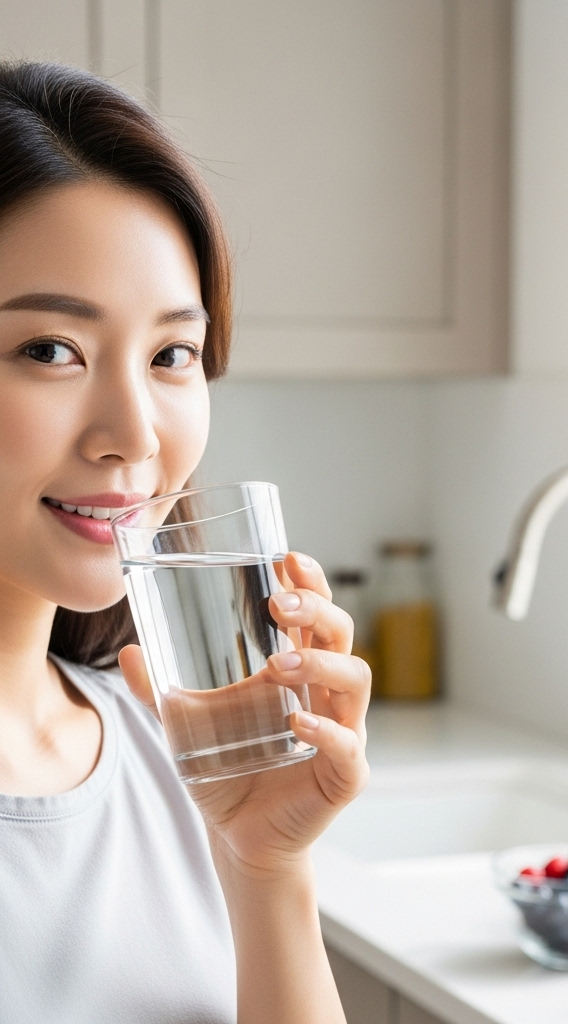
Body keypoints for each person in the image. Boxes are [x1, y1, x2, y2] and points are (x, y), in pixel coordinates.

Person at [0, 61, 369, 1023]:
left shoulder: (176, 757)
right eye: (50, 350)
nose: (134, 433)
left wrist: (268, 868)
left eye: (172, 355)